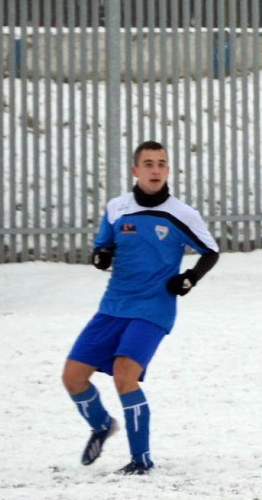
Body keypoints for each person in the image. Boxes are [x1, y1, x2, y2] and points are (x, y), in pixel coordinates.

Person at [61, 141, 219, 475]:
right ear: (136, 170)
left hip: (154, 307)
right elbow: (102, 246)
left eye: (161, 163)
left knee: (124, 374)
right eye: (148, 163)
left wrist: (189, 278)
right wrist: (100, 256)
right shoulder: (117, 207)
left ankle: (140, 460)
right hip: (114, 304)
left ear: (167, 170)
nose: (156, 170)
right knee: (73, 377)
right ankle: (102, 425)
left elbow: (210, 251)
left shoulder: (182, 214)